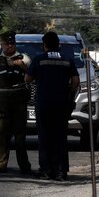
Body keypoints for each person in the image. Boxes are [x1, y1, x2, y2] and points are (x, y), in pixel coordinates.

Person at [25, 31, 79, 181]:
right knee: (60, 137)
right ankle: (61, 171)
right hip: (61, 105)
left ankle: (46, 171)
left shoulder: (39, 59)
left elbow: (28, 78)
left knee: (44, 137)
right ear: (58, 45)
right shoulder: (68, 60)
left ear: (45, 45)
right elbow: (75, 82)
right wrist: (68, 93)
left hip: (44, 104)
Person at [0, 31, 32, 174]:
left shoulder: (24, 58)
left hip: (18, 104)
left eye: (12, 43)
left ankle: (24, 166)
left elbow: (32, 75)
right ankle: (2, 164)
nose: (10, 46)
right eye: (7, 43)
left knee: (20, 136)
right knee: (3, 135)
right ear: (2, 45)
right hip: (2, 105)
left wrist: (23, 66)